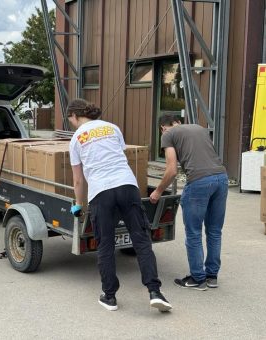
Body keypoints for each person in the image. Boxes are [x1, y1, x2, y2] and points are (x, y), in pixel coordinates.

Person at [67, 98, 172, 312]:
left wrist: (78, 205)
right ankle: (155, 292)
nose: (71, 123)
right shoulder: (112, 128)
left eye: (70, 119)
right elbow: (118, 157)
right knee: (141, 240)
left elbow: (78, 180)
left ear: (75, 116)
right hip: (127, 186)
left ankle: (109, 296)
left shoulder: (76, 138)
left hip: (101, 193)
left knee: (105, 245)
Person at [150, 114, 228, 290]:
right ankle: (211, 276)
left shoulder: (168, 135)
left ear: (163, 127)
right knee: (215, 231)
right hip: (221, 178)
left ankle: (197, 279)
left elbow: (171, 170)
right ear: (179, 122)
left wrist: (158, 191)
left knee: (193, 232)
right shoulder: (200, 129)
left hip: (199, 182)